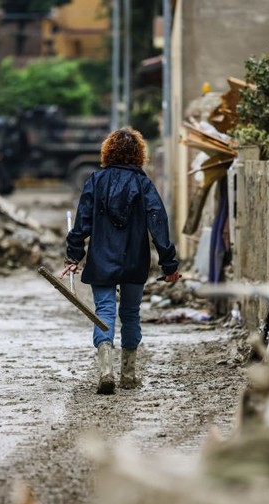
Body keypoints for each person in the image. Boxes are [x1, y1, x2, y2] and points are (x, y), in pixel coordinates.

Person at [61, 128, 181, 395]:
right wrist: (168, 264)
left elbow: (82, 223)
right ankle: (128, 374)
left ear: (108, 152)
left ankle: (106, 371)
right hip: (134, 259)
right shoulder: (144, 184)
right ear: (139, 154)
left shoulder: (95, 180)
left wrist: (73, 255)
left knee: (103, 311)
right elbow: (158, 222)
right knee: (130, 313)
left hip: (102, 259)